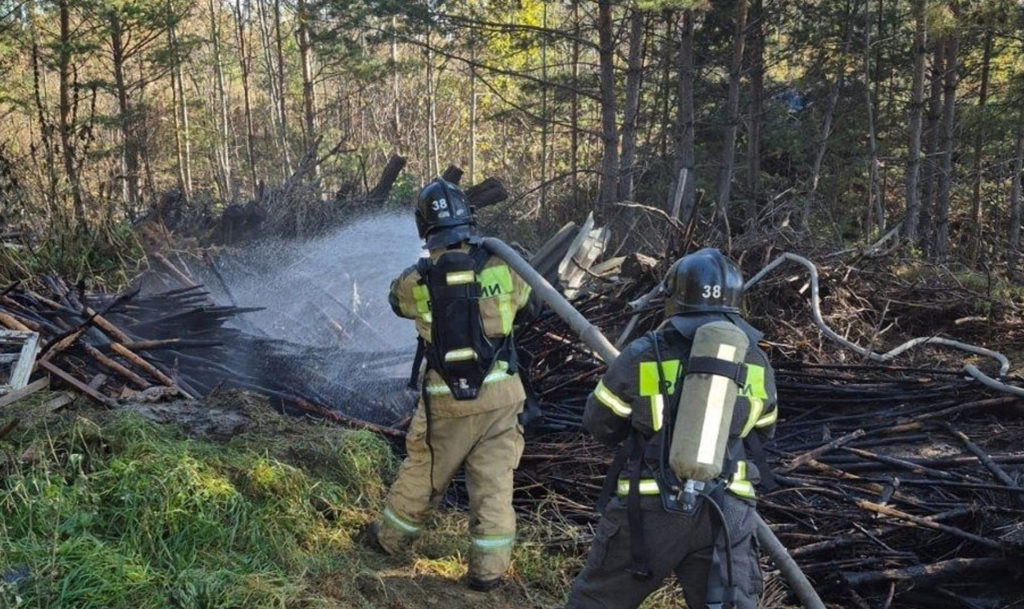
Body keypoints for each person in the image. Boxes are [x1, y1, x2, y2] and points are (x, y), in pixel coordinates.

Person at [564, 248, 778, 609]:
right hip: (727, 511)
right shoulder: (755, 359)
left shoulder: (647, 352)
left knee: (597, 601)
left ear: (676, 299)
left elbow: (600, 420)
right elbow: (765, 429)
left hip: (650, 508)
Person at [369, 177, 537, 591]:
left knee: (424, 472)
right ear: (468, 216)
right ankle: (488, 572)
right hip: (503, 398)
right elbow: (528, 303)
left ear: (423, 226)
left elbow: (397, 303)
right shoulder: (504, 265)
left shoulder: (417, 280)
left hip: (447, 401)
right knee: (495, 486)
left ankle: (387, 542)